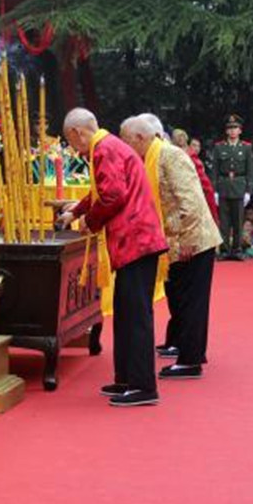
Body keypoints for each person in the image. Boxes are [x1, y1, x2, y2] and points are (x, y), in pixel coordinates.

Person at [57, 108, 167, 407]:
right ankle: (126, 378)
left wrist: (87, 221)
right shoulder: (107, 147)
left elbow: (112, 196)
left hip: (136, 240)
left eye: (71, 140)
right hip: (134, 241)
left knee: (136, 316)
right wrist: (76, 211)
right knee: (127, 312)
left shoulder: (104, 149)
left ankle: (144, 386)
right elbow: (100, 191)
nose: (73, 147)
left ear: (77, 133)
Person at [120, 115, 222, 380]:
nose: (125, 146)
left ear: (141, 138)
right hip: (178, 242)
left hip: (193, 241)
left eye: (127, 140)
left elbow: (190, 199)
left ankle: (190, 360)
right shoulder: (153, 157)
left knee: (192, 301)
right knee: (181, 299)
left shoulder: (170, 156)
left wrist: (188, 239)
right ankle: (188, 350)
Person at [208, 114, 253, 257]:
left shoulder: (246, 147)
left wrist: (248, 191)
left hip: (239, 186)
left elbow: (250, 171)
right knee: (224, 221)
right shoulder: (219, 147)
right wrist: (214, 190)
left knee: (238, 220)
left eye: (235, 128)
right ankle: (224, 249)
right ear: (226, 131)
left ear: (240, 130)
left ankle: (237, 249)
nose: (233, 131)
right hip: (223, 186)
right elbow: (214, 170)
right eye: (230, 128)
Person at [172, 129, 219, 224]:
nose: (196, 148)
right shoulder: (178, 155)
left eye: (198, 146)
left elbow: (204, 184)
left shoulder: (191, 158)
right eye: (194, 145)